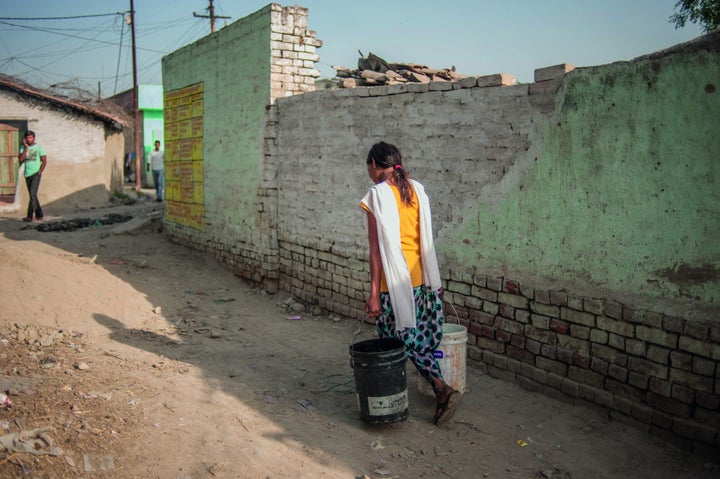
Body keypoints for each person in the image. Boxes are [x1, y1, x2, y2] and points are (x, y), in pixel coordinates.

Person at [360, 141, 460, 426]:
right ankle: (433, 389)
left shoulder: (376, 195)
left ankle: (439, 389)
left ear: (375, 165)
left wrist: (374, 295)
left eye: (369, 166)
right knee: (418, 340)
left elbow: (375, 250)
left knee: (398, 341)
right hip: (422, 280)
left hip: (395, 285)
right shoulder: (416, 189)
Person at [17, 130, 47, 222]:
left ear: (34, 138)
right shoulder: (23, 147)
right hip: (27, 174)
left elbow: (44, 161)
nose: (29, 139)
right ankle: (40, 215)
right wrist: (26, 148)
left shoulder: (39, 148)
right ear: (25, 139)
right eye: (27, 138)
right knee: (33, 195)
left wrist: (40, 172)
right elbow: (21, 159)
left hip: (36, 174)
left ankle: (30, 216)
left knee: (32, 194)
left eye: (30, 137)